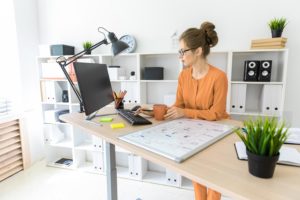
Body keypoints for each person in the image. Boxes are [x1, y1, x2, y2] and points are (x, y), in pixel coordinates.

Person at [138, 21, 229, 200]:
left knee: (213, 184)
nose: (180, 56)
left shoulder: (219, 77)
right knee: (197, 177)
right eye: (179, 52)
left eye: (183, 51)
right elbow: (178, 106)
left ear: (198, 51)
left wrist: (186, 112)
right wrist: (152, 110)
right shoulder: (183, 75)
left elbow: (217, 114)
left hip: (217, 134)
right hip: (193, 133)